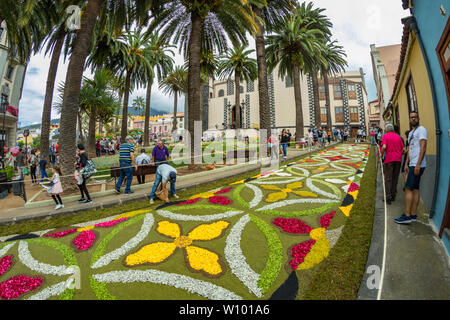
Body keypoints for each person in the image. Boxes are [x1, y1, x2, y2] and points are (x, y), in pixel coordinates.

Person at [395, 111, 427, 224]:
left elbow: (423, 147)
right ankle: (413, 214)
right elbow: (409, 150)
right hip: (412, 164)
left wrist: (418, 164)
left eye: (415, 117)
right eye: (411, 117)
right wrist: (406, 164)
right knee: (415, 189)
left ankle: (407, 215)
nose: (413, 119)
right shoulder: (411, 133)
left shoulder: (421, 130)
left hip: (417, 165)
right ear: (409, 120)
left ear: (418, 118)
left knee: (408, 188)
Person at [381, 124, 404, 205]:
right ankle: (393, 195)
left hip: (389, 159)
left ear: (387, 130)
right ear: (393, 129)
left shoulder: (385, 136)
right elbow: (403, 149)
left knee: (388, 178)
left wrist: (381, 154)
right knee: (395, 177)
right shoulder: (398, 137)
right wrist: (399, 153)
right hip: (398, 159)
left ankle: (388, 197)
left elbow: (384, 147)